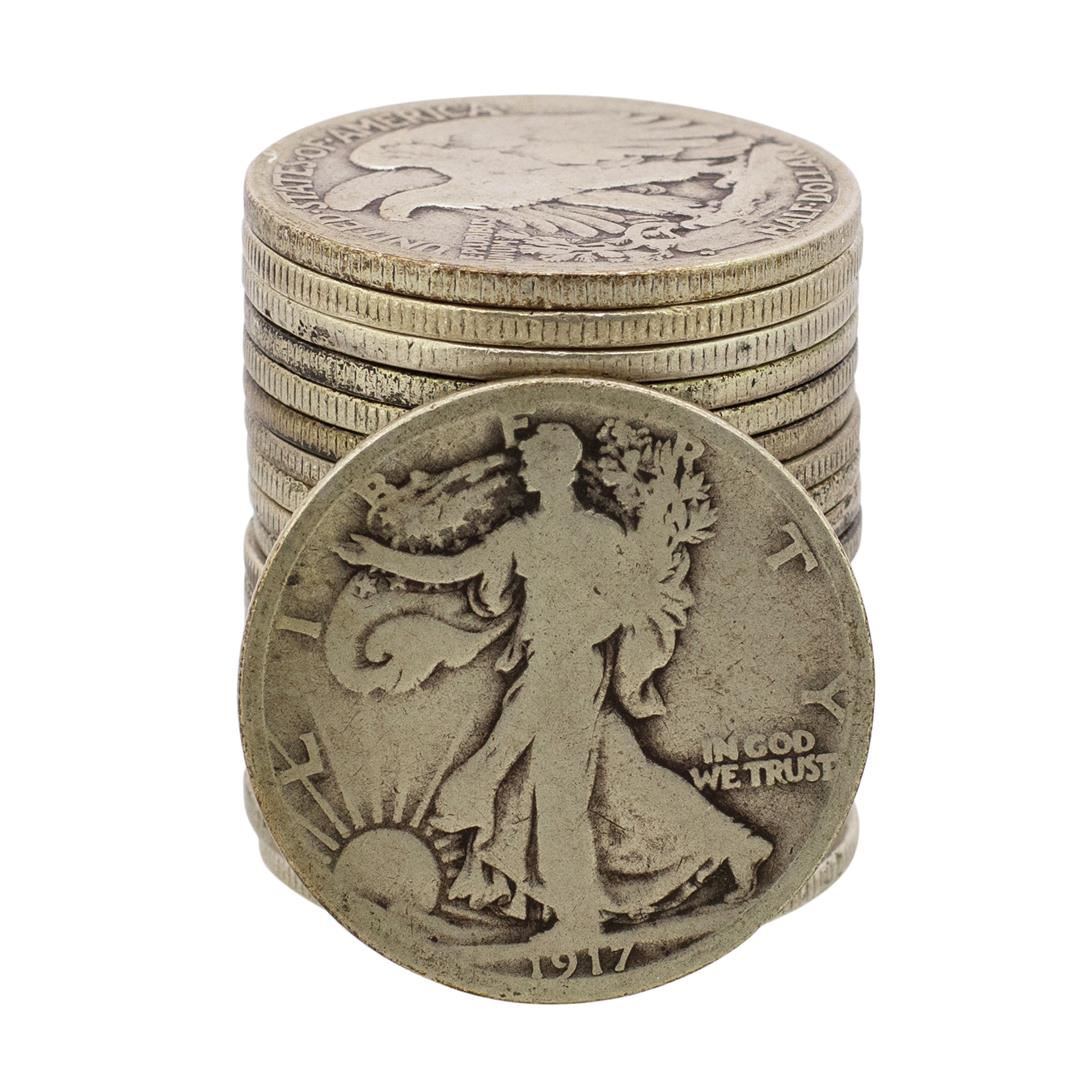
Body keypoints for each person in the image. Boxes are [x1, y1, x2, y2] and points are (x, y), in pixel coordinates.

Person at [336, 423, 772, 941]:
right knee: (624, 777)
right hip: (546, 668)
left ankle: (578, 918)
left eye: (534, 459)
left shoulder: (599, 534)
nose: (524, 467)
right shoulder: (522, 532)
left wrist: (578, 636)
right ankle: (738, 843)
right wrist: (380, 557)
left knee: (557, 800)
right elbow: (457, 568)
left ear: (559, 467)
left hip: (570, 673)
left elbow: (626, 604)